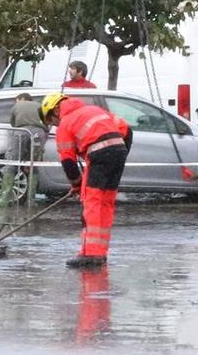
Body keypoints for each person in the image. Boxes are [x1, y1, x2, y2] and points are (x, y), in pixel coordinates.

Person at [41, 91, 131, 269]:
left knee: (92, 203)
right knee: (106, 202)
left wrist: (76, 184)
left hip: (98, 154)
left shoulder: (66, 124)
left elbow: (68, 160)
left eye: (52, 120)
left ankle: (90, 254)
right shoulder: (94, 110)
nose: (54, 124)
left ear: (56, 110)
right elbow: (127, 130)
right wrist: (120, 153)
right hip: (118, 152)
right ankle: (100, 252)